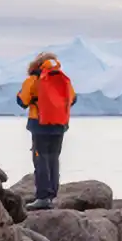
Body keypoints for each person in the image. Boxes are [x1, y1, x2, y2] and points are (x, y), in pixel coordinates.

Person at [16, 52, 77, 210]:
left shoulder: (34, 79)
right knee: (53, 158)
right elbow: (73, 99)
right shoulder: (62, 78)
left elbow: (22, 101)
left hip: (39, 124)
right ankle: (52, 194)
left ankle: (43, 196)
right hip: (59, 125)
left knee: (40, 159)